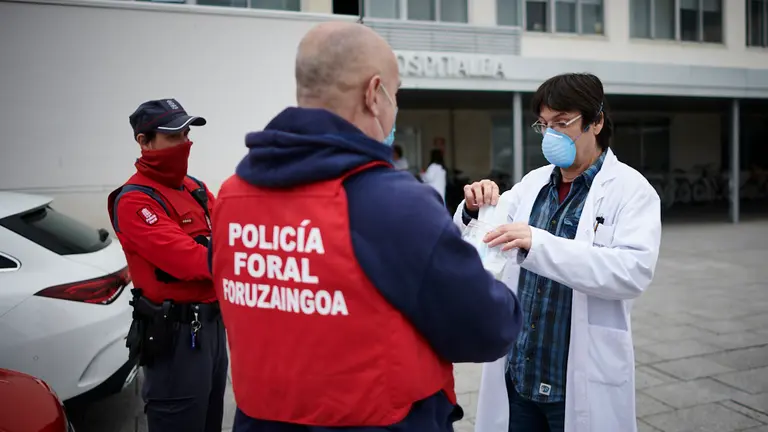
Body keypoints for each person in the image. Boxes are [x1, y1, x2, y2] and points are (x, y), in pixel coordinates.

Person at [210, 21, 523, 432]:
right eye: (396, 94)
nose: (395, 107)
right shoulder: (395, 204)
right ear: (374, 94)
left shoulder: (232, 196)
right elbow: (488, 329)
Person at [453, 73, 661, 432]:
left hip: (574, 382)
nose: (551, 135)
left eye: (562, 123)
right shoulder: (533, 183)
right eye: (544, 124)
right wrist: (475, 208)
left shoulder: (631, 190)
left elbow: (632, 271)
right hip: (519, 377)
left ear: (596, 121)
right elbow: (485, 237)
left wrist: (540, 243)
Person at [107, 98, 228, 432]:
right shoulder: (135, 200)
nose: (185, 143)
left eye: (187, 133)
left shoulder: (196, 189)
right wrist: (227, 253)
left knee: (210, 422)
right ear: (144, 141)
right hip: (176, 338)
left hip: (213, 330)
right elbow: (194, 261)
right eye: (174, 135)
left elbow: (232, 238)